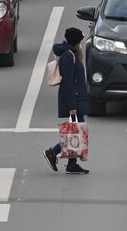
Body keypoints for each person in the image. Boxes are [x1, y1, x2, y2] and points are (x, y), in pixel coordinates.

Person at [43, 27, 91, 175]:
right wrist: (72, 106)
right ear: (76, 41)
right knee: (75, 133)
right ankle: (53, 151)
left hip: (77, 99)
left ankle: (72, 163)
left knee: (76, 132)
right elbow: (68, 83)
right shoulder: (68, 56)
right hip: (74, 100)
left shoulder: (73, 53)